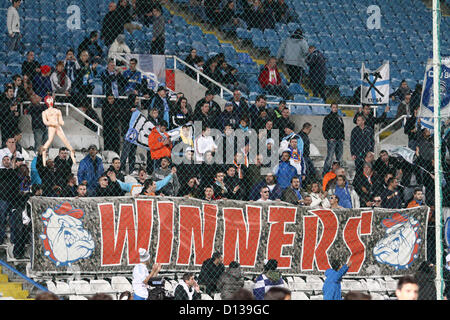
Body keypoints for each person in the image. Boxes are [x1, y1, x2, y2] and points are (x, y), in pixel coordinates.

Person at [322, 104, 345, 175]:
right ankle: (325, 173)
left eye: (336, 107)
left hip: (339, 140)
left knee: (340, 158)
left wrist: (342, 137)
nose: (335, 109)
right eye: (333, 107)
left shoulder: (339, 118)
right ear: (331, 108)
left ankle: (339, 173)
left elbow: (342, 128)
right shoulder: (327, 118)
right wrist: (328, 137)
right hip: (332, 140)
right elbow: (324, 129)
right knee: (330, 157)